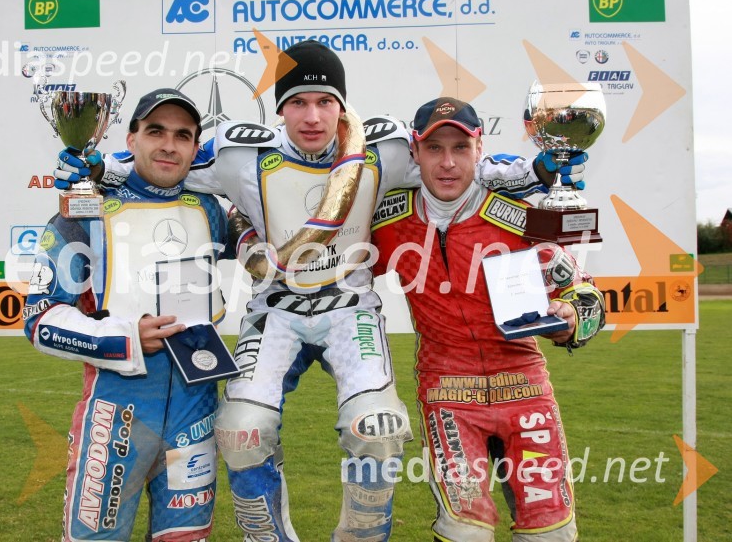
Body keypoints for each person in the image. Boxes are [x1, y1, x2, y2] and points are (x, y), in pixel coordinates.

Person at [52, 41, 586, 541]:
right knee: (241, 431)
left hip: (349, 306)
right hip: (276, 308)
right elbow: (163, 164)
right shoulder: (239, 154)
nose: (312, 116)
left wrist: (541, 169)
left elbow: (465, 167)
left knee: (377, 428)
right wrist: (95, 169)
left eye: (325, 102)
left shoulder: (388, 148)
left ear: (341, 105)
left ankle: (360, 534)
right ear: (279, 110)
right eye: (298, 102)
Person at [370, 97, 606, 542]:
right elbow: (338, 264)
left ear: (480, 150)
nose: (447, 162)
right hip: (447, 391)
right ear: (414, 153)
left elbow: (587, 294)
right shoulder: (390, 218)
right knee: (465, 532)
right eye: (434, 148)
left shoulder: (519, 214)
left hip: (525, 387)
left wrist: (571, 316)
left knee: (550, 534)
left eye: (460, 147)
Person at [23, 88, 230, 541]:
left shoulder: (210, 210)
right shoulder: (83, 213)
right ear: (131, 139)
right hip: (117, 413)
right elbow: (37, 318)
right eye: (155, 131)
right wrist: (127, 338)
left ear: (196, 149)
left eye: (183, 135)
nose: (169, 145)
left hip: (195, 412)